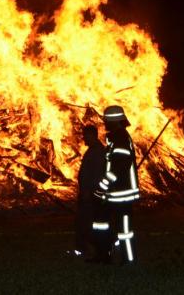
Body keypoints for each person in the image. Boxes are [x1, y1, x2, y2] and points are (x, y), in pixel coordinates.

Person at [92, 105, 140, 264]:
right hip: (113, 194)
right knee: (101, 223)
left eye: (106, 121)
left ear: (114, 122)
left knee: (124, 230)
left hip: (122, 194)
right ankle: (103, 255)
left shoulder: (121, 139)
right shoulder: (115, 138)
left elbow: (119, 167)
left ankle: (128, 261)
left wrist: (103, 186)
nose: (104, 124)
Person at [73, 125, 106, 258]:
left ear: (93, 135)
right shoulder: (92, 150)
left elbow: (97, 174)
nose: (83, 138)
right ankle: (87, 249)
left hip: (91, 194)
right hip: (88, 193)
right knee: (84, 222)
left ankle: (88, 249)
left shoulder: (97, 152)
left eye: (86, 135)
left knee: (86, 222)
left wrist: (89, 191)